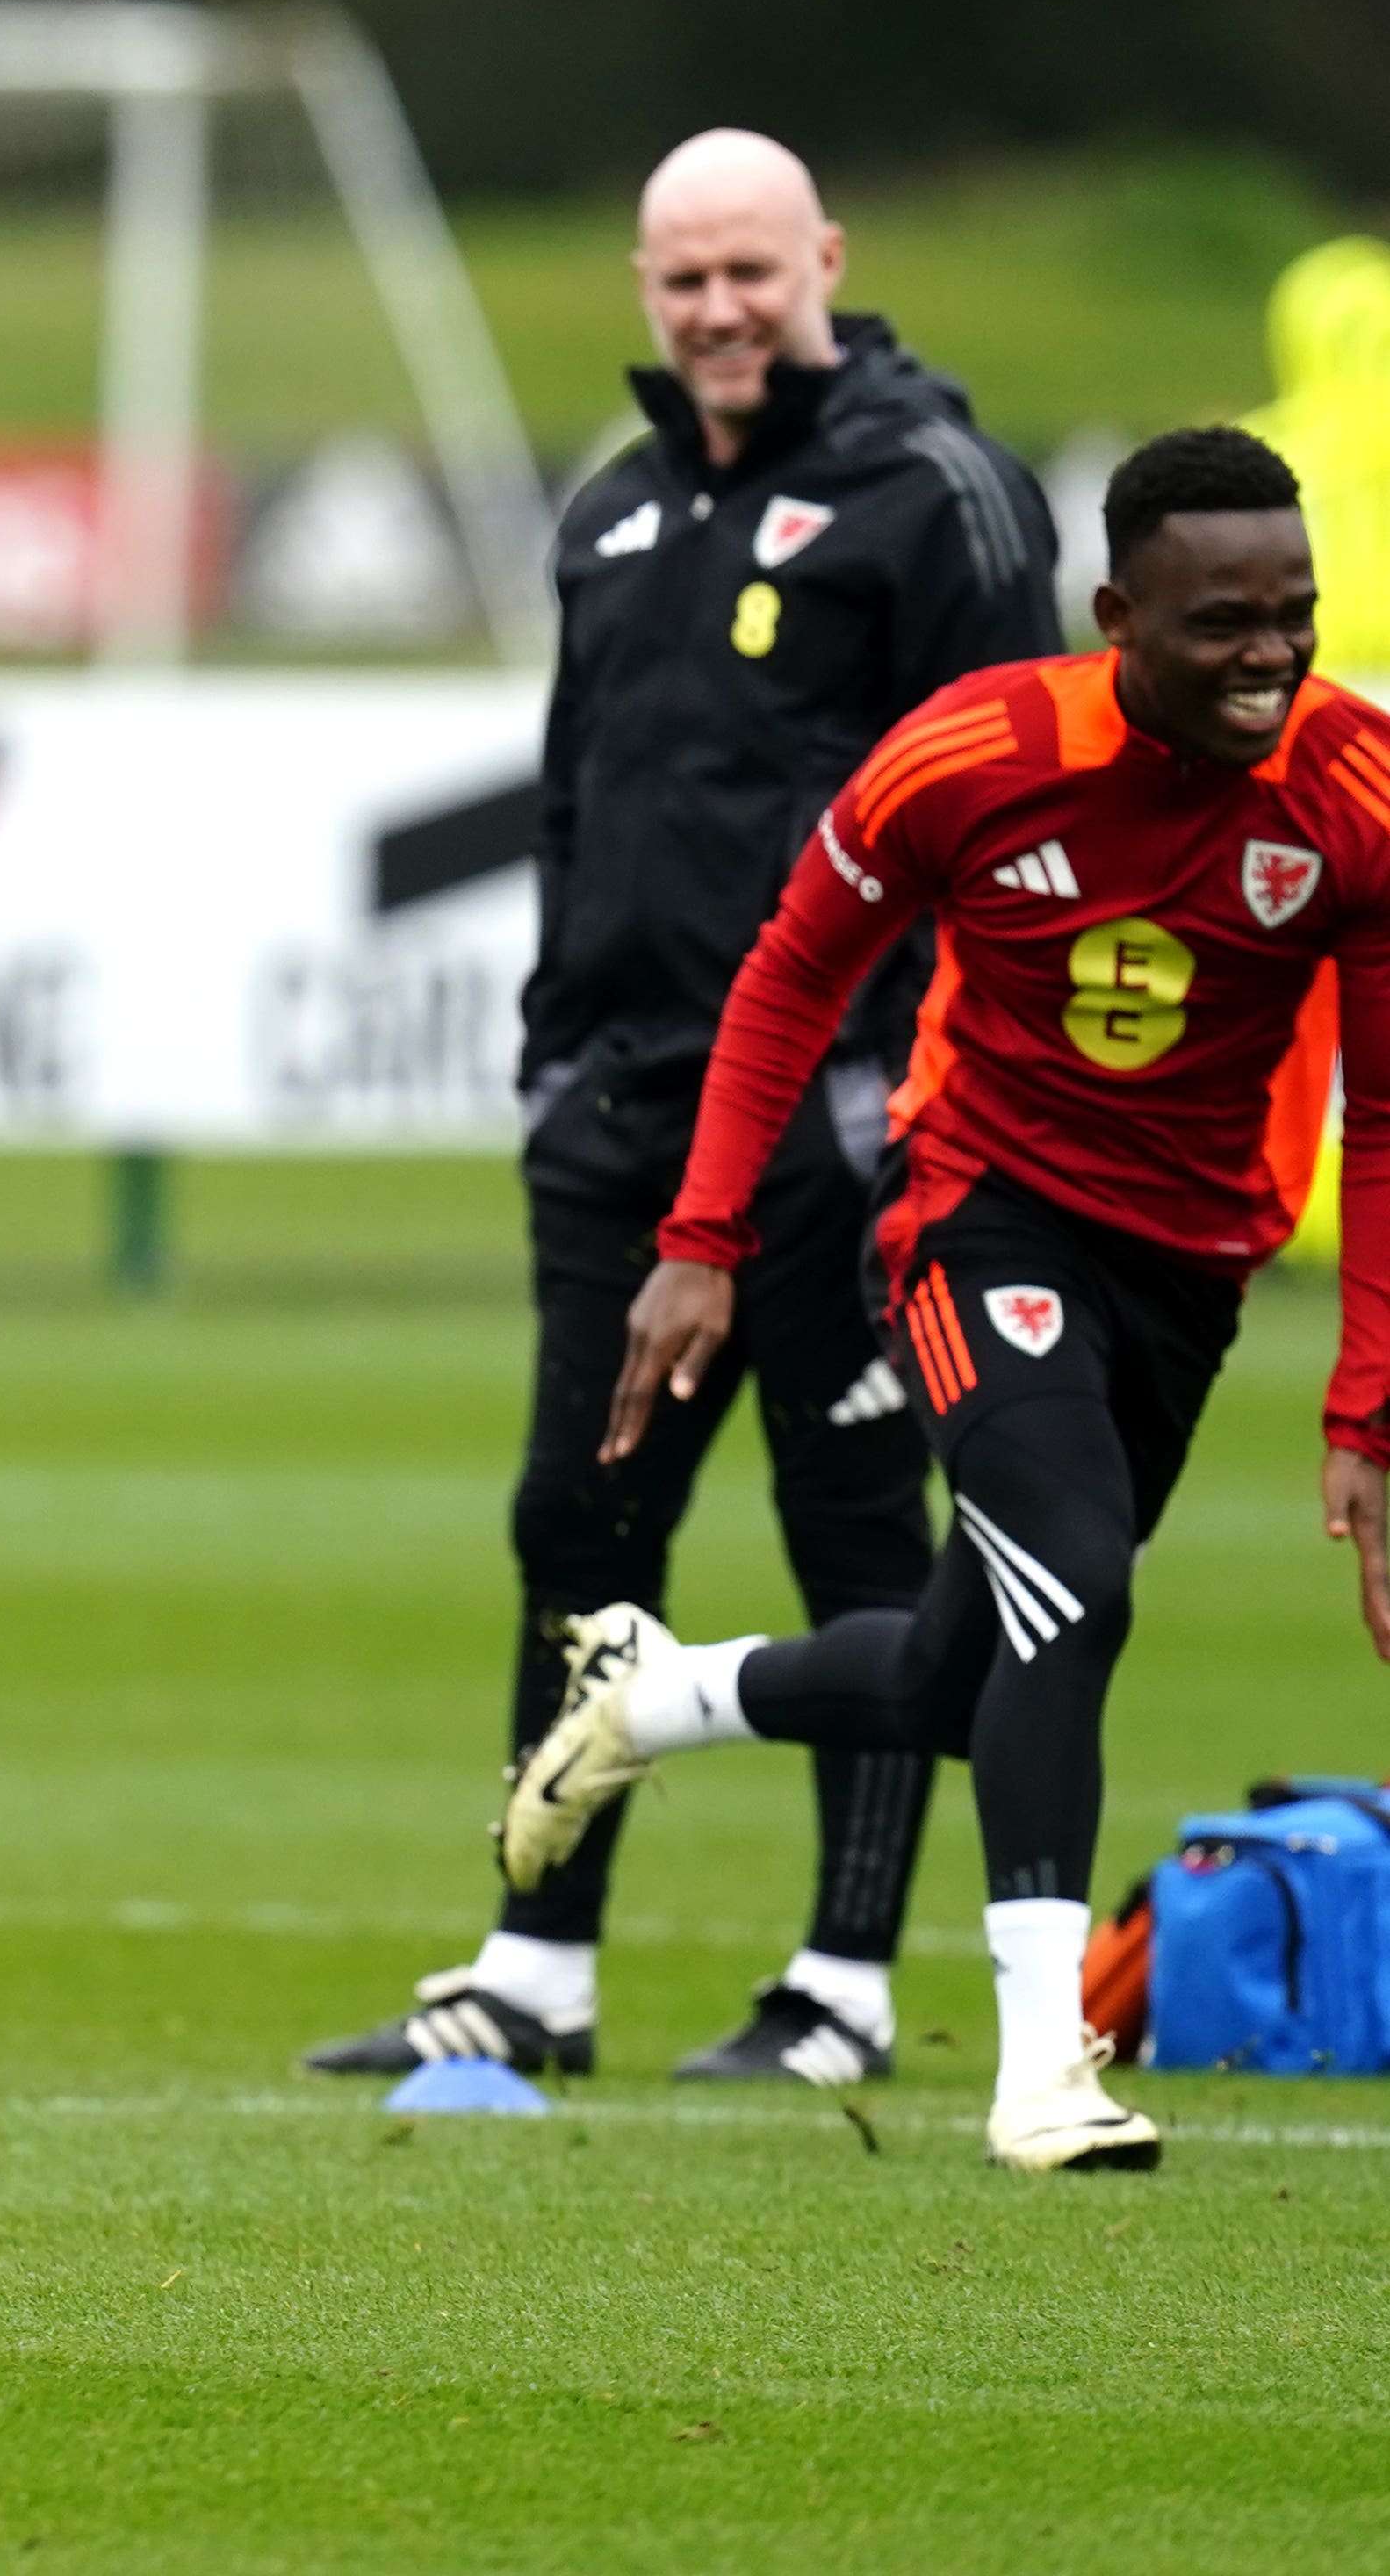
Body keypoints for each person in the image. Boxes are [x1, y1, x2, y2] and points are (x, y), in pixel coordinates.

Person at [501, 427, 1388, 2171]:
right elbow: (787, 976)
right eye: (1225, 620)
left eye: (1295, 611)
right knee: (1079, 1579)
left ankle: (664, 1702)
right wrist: (702, 1237)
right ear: (1118, 613)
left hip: (1190, 1268)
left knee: (947, 1669)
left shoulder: (1354, 788)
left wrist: (1365, 1406)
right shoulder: (976, 754)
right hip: (976, 1215)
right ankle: (1045, 2065)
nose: (1272, 652)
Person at [306, 131, 1062, 2090]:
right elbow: (576, 803)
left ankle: (843, 1986)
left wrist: (933, 1097)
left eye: (750, 271)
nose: (719, 311)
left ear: (826, 255)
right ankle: (535, 1962)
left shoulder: (937, 492)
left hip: (850, 1116)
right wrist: (558, 1044)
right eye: (682, 280)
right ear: (644, 290)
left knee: (856, 1530)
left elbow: (1023, 812)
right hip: (628, 1114)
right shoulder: (620, 510)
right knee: (582, 1518)